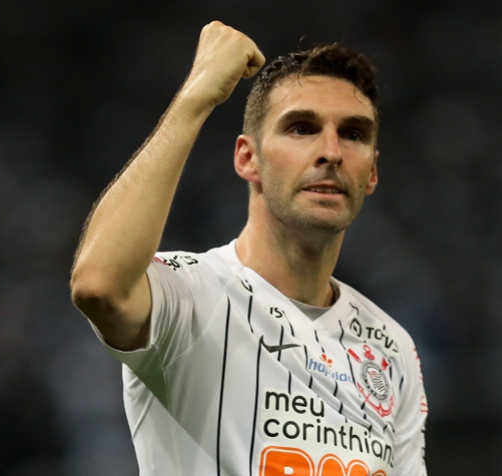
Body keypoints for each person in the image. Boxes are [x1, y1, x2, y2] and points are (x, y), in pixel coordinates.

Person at [70, 21, 428, 475]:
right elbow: (98, 286)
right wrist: (196, 97)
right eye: (302, 128)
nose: (332, 151)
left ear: (372, 173)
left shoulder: (392, 347)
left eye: (354, 134)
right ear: (247, 158)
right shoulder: (191, 293)